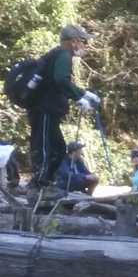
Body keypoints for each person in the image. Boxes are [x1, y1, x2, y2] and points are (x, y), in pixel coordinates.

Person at [28, 24, 100, 187]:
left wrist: (84, 94)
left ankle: (47, 182)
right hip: (44, 109)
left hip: (47, 109)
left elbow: (59, 81)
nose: (84, 45)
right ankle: (39, 185)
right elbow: (61, 79)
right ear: (74, 41)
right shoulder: (64, 54)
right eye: (83, 41)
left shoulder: (56, 54)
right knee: (45, 147)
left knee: (59, 149)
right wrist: (79, 98)